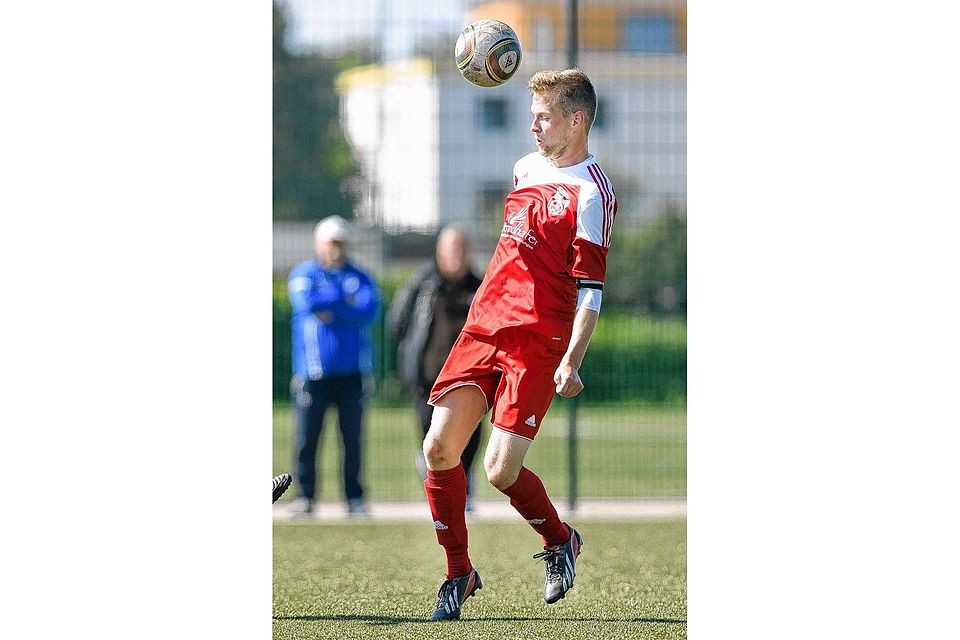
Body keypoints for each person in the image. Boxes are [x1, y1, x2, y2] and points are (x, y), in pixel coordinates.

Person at [421, 69, 617, 621]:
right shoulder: (524, 169)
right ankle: (458, 572)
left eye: (544, 116)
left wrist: (571, 360)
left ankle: (560, 540)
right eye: (532, 115)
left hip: (539, 339)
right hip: (486, 323)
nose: (532, 126)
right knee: (438, 448)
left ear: (576, 121)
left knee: (500, 471)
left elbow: (590, 292)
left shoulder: (591, 194)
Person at [287, 215, 380, 517]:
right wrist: (344, 300)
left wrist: (332, 307)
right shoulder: (304, 273)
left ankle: (354, 498)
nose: (336, 249)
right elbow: (308, 304)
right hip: (313, 373)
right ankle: (305, 496)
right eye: (331, 243)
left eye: (341, 243)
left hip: (352, 374)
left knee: (352, 439)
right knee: (306, 438)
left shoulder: (360, 276)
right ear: (319, 244)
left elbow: (368, 310)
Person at [388, 226, 484, 509]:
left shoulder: (480, 287)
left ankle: (463, 488)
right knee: (432, 440)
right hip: (428, 379)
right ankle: (443, 492)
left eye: (461, 248)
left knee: (469, 436)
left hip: (469, 380)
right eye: (451, 248)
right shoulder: (421, 285)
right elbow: (398, 322)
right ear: (439, 251)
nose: (456, 253)